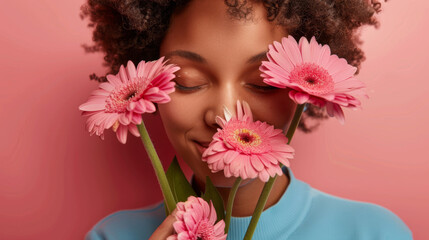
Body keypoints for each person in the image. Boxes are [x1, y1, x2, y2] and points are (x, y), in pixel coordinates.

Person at [81, 0, 413, 239]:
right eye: (189, 80)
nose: (225, 117)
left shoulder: (374, 233)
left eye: (261, 84)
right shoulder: (112, 236)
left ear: (310, 91)